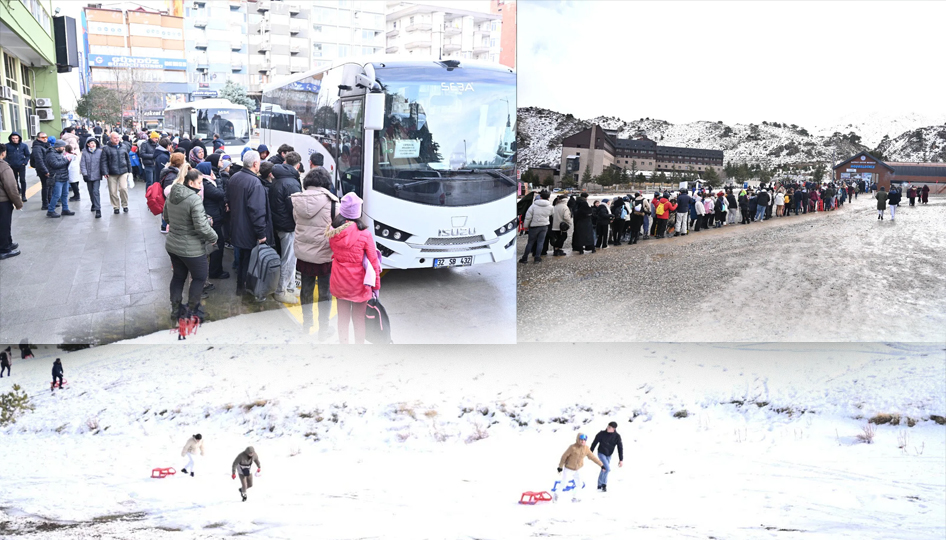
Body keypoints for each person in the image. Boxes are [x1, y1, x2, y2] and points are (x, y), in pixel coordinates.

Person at [163, 168, 218, 322]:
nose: (201, 186)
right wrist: (214, 237)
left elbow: (166, 217)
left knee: (178, 276)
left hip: (173, 245)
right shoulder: (194, 199)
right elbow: (201, 227)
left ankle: (175, 310)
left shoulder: (171, 195)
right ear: (191, 182)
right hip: (192, 249)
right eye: (199, 182)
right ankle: (193, 311)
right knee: (199, 277)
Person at [326, 193, 381, 344]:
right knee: (359, 320)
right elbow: (373, 262)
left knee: (342, 319)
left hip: (339, 281)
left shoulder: (332, 232)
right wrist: (376, 286)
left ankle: (344, 347)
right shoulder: (365, 234)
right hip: (359, 284)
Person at [292, 168, 339, 339]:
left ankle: (306, 325)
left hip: (304, 252)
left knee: (306, 289)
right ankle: (324, 330)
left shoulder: (296, 201)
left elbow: (296, 222)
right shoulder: (333, 203)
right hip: (324, 254)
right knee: (325, 292)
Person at [227, 151, 272, 294]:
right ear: (255, 164)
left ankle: (240, 287)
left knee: (242, 260)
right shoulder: (255, 183)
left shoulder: (234, 177)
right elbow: (257, 211)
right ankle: (246, 289)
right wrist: (261, 234)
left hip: (236, 226)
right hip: (249, 230)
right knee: (248, 261)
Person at [270, 152, 304, 303]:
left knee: (291, 257)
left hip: (280, 222)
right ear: (297, 165)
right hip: (288, 225)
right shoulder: (291, 183)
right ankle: (281, 290)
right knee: (288, 258)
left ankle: (290, 287)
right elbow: (296, 207)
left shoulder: (279, 178)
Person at [555, 433, 605, 502]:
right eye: (581, 440)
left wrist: (601, 465)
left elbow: (592, 457)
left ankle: (574, 497)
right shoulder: (572, 447)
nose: (583, 441)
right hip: (569, 468)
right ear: (578, 440)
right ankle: (556, 494)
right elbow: (564, 456)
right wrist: (560, 467)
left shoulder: (586, 448)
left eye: (584, 440)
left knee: (579, 484)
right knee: (564, 483)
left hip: (577, 469)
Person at [199, 162, 229, 281]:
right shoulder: (206, 183)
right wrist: (218, 181)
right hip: (213, 217)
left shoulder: (204, 182)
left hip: (214, 215)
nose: (213, 172)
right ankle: (215, 271)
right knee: (217, 244)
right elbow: (220, 194)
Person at [0, 145, 24, 259]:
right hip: (2, 201)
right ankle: (4, 249)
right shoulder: (3, 166)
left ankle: (8, 243)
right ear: (3, 153)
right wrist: (18, 203)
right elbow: (11, 186)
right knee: (4, 225)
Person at [101, 132, 131, 214]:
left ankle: (125, 205)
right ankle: (116, 207)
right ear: (110, 139)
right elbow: (104, 161)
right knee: (113, 191)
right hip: (111, 172)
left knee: (123, 188)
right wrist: (105, 172)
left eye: (118, 137)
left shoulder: (123, 146)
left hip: (123, 171)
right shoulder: (106, 148)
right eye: (115, 138)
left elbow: (127, 159)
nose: (117, 139)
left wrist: (130, 170)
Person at [520, 191, 553, 264]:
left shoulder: (533, 206)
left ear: (540, 197)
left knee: (530, 242)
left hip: (534, 226)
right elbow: (551, 214)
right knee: (540, 242)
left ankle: (525, 258)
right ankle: (537, 258)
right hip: (544, 226)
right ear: (548, 198)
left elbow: (528, 217)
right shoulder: (550, 207)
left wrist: (525, 226)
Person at [590, 422, 624, 492]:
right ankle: (604, 485)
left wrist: (621, 459)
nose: (607, 428)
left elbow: (620, 448)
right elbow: (594, 443)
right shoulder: (601, 434)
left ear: (613, 429)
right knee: (607, 469)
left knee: (604, 469)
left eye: (610, 427)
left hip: (609, 455)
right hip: (601, 453)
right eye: (608, 426)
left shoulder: (617, 436)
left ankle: (599, 485)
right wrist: (590, 453)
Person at [45, 141, 75, 218]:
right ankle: (50, 210)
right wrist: (66, 160)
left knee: (65, 194)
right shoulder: (51, 155)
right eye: (63, 147)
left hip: (64, 176)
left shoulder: (59, 153)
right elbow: (56, 165)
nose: (64, 149)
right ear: (57, 147)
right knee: (56, 195)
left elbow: (62, 163)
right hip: (57, 177)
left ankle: (65, 209)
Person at [80, 138, 104, 218]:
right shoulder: (84, 153)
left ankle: (98, 209)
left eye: (94, 143)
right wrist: (85, 174)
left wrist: (103, 172)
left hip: (97, 176)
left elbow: (102, 163)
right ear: (88, 144)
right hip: (88, 176)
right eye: (91, 143)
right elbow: (82, 164)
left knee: (95, 191)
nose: (93, 145)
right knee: (90, 192)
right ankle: (93, 203)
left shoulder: (100, 152)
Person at [3, 132, 30, 202]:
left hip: (21, 165)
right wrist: (8, 163)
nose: (15, 140)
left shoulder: (23, 146)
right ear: (10, 139)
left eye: (16, 138)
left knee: (23, 180)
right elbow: (4, 155)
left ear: (19, 138)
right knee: (14, 180)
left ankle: (23, 195)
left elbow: (27, 155)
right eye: (13, 138)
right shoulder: (7, 146)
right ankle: (18, 191)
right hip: (11, 166)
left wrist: (25, 162)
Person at [31, 133, 53, 207]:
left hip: (49, 168)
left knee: (50, 186)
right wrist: (45, 171)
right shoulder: (37, 148)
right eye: (42, 137)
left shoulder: (46, 145)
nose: (45, 138)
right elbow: (39, 161)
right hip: (43, 170)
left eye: (46, 137)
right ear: (38, 138)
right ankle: (45, 204)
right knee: (45, 186)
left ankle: (50, 201)